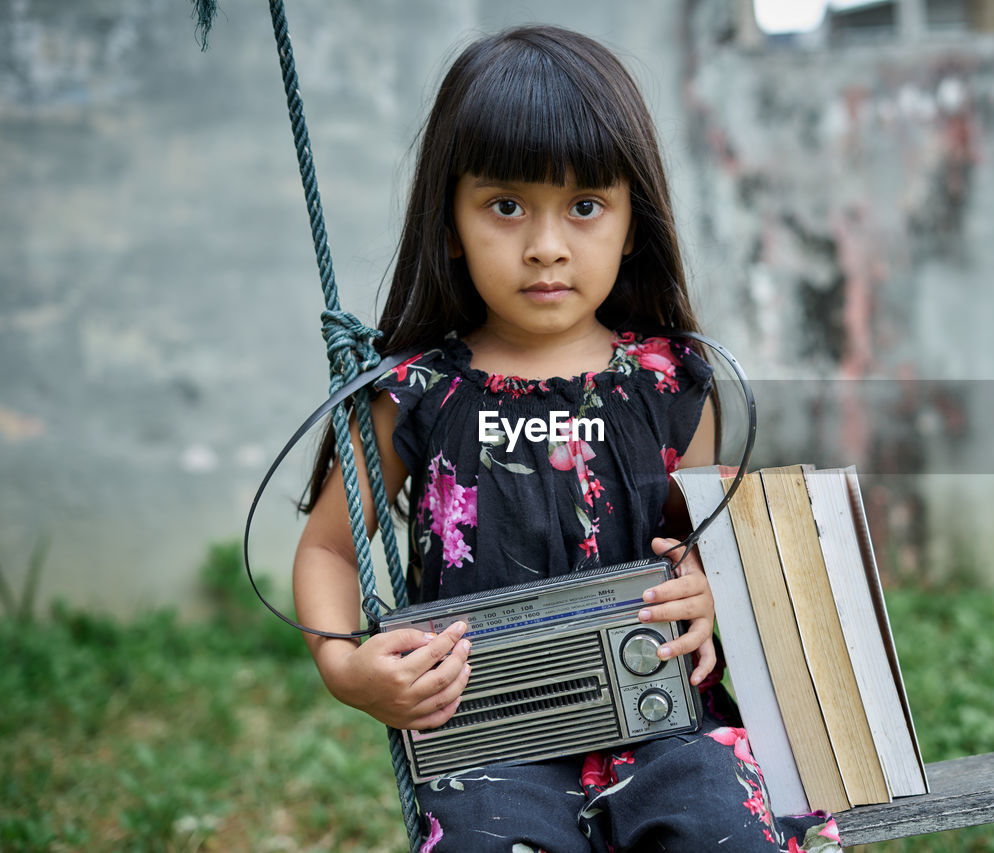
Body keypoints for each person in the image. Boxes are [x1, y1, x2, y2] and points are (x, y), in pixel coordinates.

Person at [292, 24, 841, 853]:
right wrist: (348, 670)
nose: (545, 246)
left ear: (631, 223)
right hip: (486, 740)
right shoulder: (418, 395)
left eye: (585, 206)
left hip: (666, 725)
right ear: (450, 221)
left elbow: (707, 548)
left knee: (725, 830)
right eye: (505, 206)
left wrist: (704, 588)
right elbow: (330, 550)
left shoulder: (674, 383)